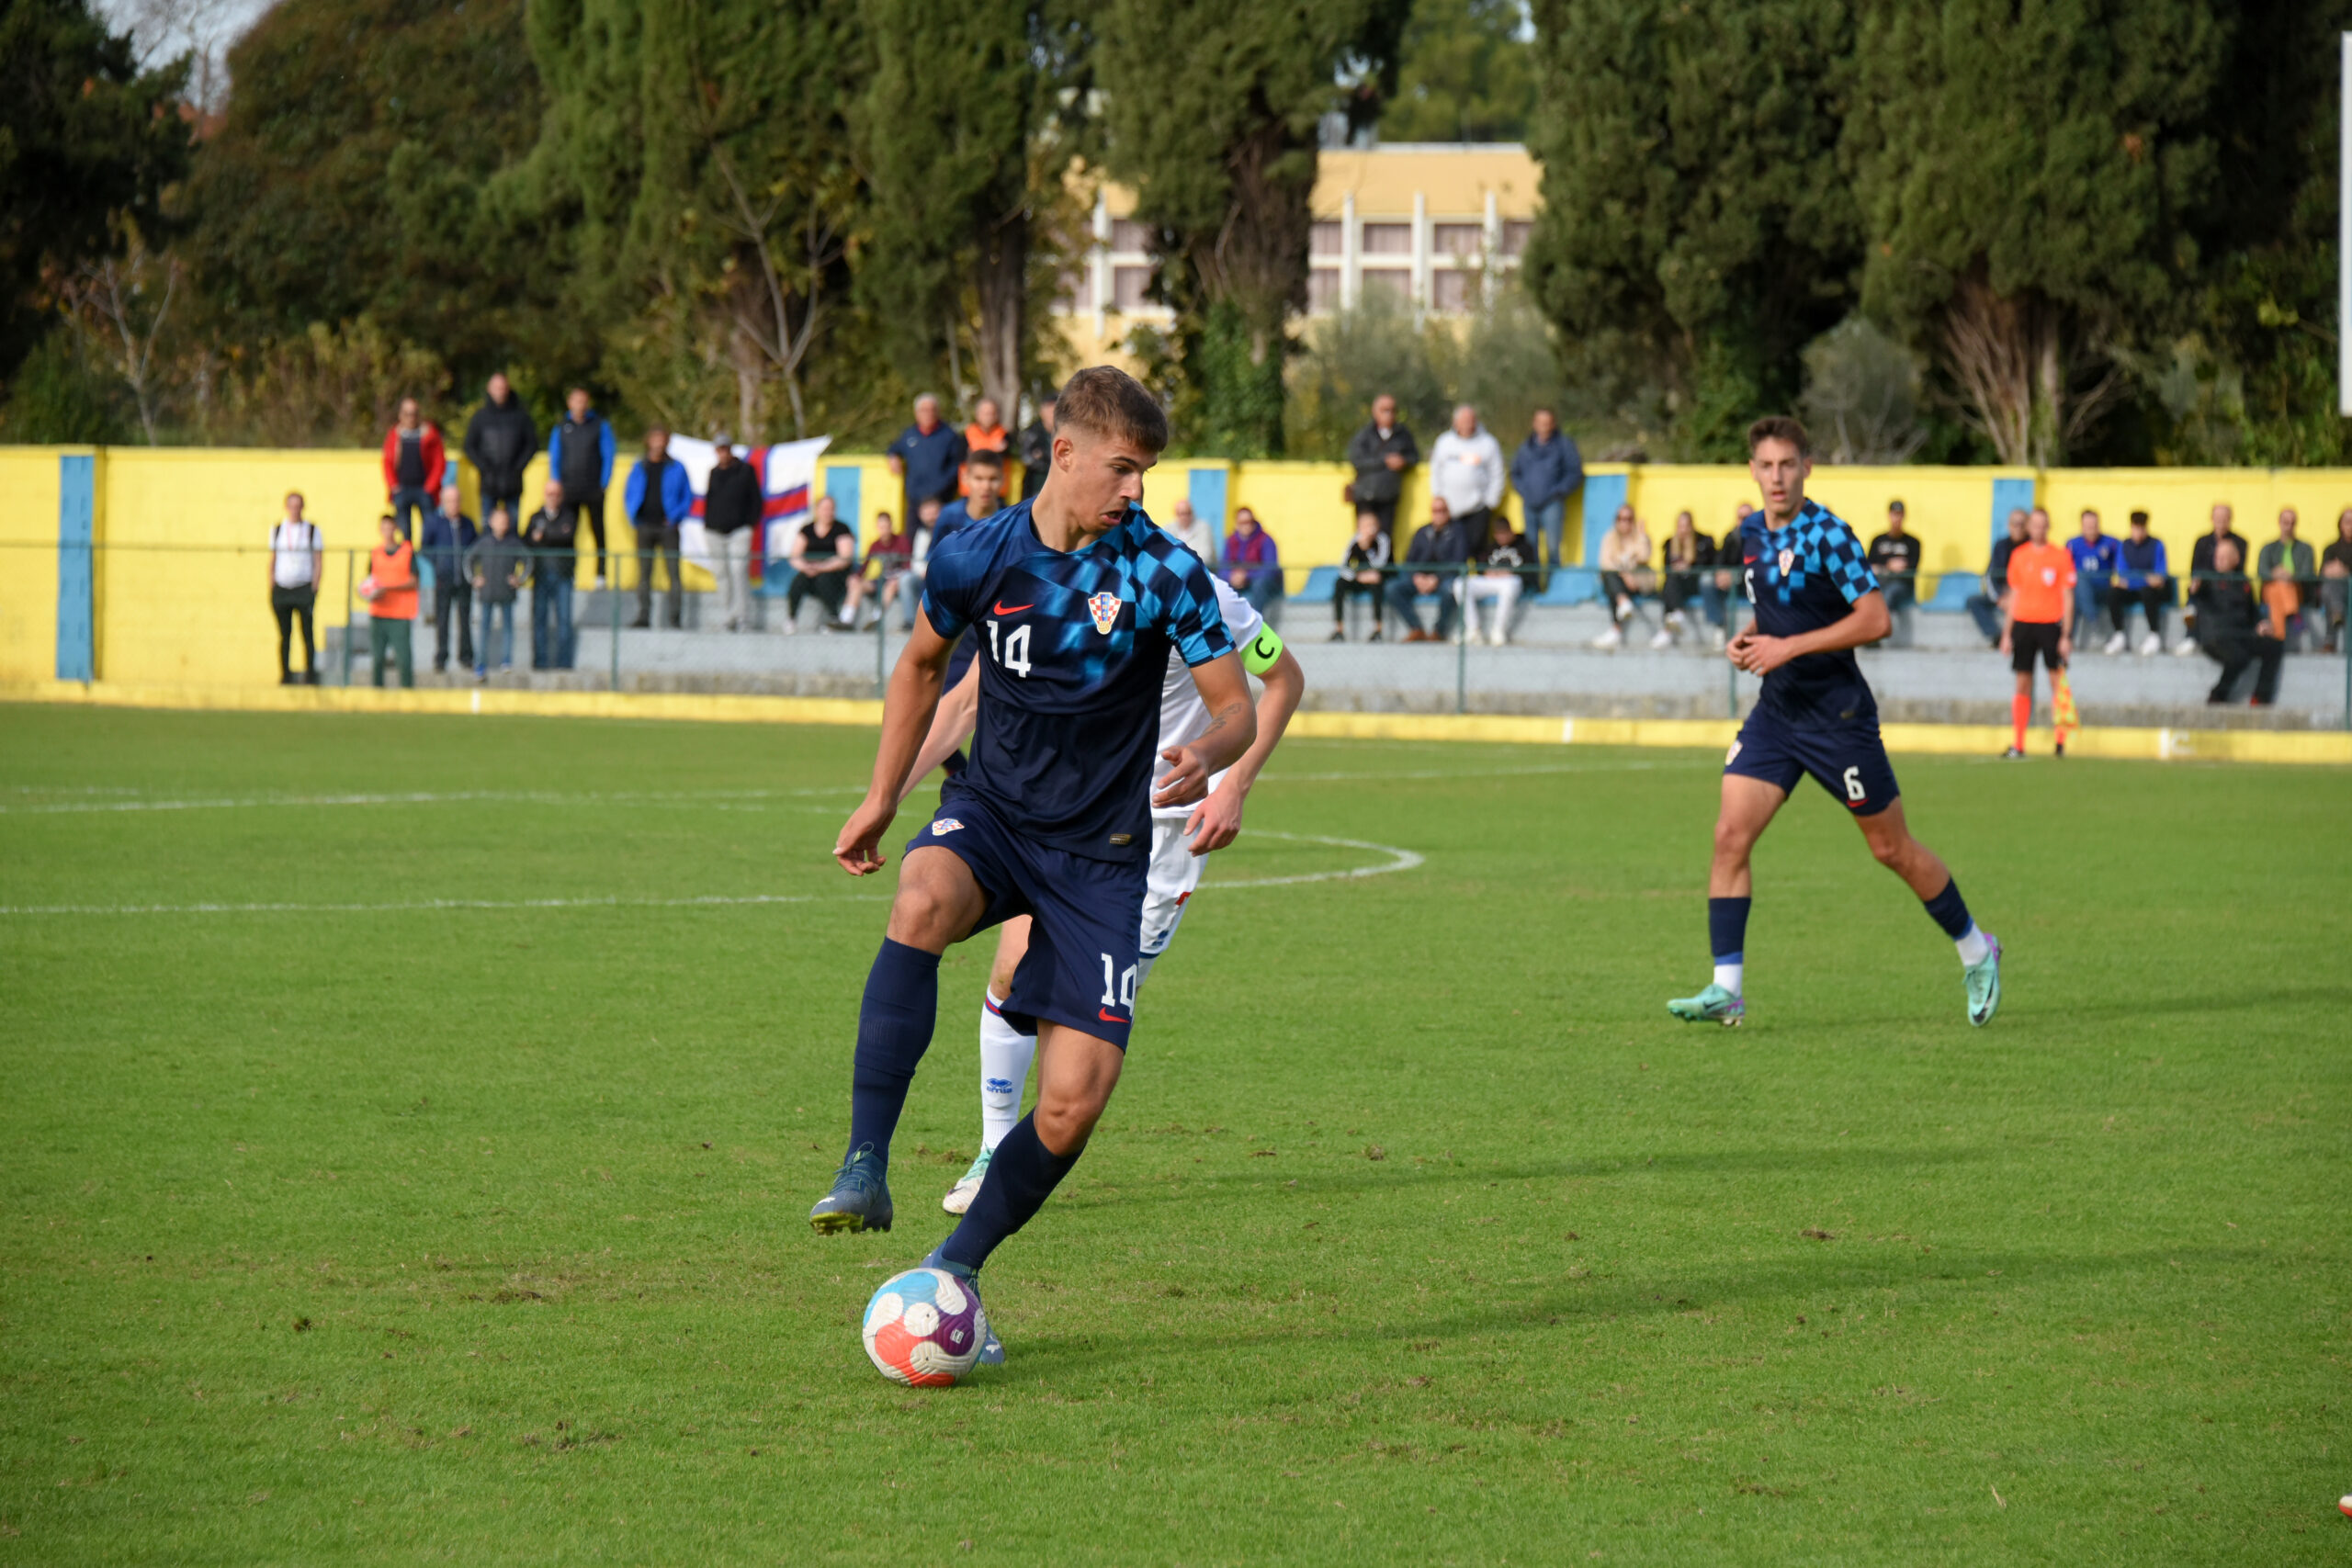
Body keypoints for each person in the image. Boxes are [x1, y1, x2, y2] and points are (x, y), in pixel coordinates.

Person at [808, 367, 1256, 1376]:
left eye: (1145, 471)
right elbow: (922, 669)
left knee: (1074, 1100)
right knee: (919, 892)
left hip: (1099, 860)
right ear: (1064, 453)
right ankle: (865, 1165)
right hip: (995, 814)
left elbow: (1240, 703)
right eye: (1122, 468)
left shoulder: (1162, 573)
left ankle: (954, 1267)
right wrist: (884, 793)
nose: (1135, 490)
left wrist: (1212, 753)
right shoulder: (975, 553)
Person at [904, 554, 1306, 1223]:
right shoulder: (1046, 583)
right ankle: (993, 1150)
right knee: (1010, 970)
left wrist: (1234, 781)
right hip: (1067, 818)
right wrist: (885, 793)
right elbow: (965, 701)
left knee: (1079, 1020)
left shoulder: (1197, 590)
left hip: (1161, 836)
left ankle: (1038, 1149)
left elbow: (1283, 679)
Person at [1668, 416, 2000, 1030]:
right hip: (1777, 714)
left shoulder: (1830, 535)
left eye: (1787, 465)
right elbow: (1771, 612)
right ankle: (1726, 988)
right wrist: (1747, 640)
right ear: (1752, 470)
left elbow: (1876, 619)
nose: (1776, 477)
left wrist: (1788, 649)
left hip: (1837, 718)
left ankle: (1978, 950)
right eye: (1766, 465)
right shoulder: (1749, 533)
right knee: (1728, 836)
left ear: (1806, 468)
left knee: (1890, 847)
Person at [2000, 507, 2076, 759]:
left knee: (2057, 680)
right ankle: (2019, 742)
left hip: (2050, 624)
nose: (2038, 529)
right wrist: (2007, 633)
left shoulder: (2061, 556)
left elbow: (2067, 596)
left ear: (2048, 527)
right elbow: (2015, 595)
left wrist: (2066, 634)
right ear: (2029, 527)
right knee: (2023, 680)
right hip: (2024, 623)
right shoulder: (2019, 556)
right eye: (2035, 524)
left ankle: (2060, 741)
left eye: (2043, 524)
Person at [2192, 537, 2284, 705]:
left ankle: (2261, 698)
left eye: (2225, 556)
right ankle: (2218, 695)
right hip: (2217, 636)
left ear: (2235, 559)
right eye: (2218, 556)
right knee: (2239, 657)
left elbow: (2253, 611)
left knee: (2273, 645)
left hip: (2241, 634)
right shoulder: (2207, 580)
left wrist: (2261, 624)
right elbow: (2195, 594)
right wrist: (2194, 589)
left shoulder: (2243, 582)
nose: (2219, 560)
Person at [624, 425, 692, 630]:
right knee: (644, 575)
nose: (658, 444)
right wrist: (634, 516)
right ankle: (643, 616)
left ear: (667, 442)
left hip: (668, 528)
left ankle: (675, 618)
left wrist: (675, 517)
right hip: (645, 527)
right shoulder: (639, 466)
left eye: (662, 439)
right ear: (648, 441)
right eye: (654, 439)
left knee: (674, 575)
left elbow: (686, 496)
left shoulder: (677, 467)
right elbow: (629, 493)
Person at [548, 387, 616, 586]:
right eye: (576, 401)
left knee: (598, 531)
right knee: (568, 531)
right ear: (570, 403)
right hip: (569, 489)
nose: (580, 405)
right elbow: (555, 457)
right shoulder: (561, 427)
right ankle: (570, 572)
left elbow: (608, 455)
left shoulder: (600, 425)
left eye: (583, 401)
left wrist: (604, 483)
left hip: (593, 488)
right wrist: (557, 482)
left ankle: (601, 573)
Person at [1510, 408, 1582, 589]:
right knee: (1530, 547)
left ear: (1553, 424)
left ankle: (1553, 587)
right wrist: (1524, 491)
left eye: (1547, 422)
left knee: (1552, 547)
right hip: (1529, 503)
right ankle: (1533, 586)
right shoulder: (1526, 447)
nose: (1543, 426)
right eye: (1540, 422)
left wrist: (1558, 492)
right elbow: (1515, 473)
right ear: (1534, 424)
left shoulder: (1564, 445)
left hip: (1552, 504)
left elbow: (1575, 473)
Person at [461, 373, 537, 539]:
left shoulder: (520, 417)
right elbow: (469, 446)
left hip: (513, 483)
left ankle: (513, 565)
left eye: (502, 388)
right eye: (496, 388)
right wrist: (484, 468)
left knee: (513, 529)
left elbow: (531, 445)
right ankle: (489, 565)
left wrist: (517, 467)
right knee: (487, 530)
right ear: (489, 390)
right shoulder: (480, 417)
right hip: (489, 484)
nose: (500, 392)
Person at [1385, 498, 1467, 642]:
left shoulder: (1457, 532)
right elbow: (1409, 560)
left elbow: (1459, 561)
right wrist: (1417, 577)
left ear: (1448, 512)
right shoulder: (1422, 532)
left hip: (1444, 579)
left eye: (1442, 510)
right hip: (1420, 579)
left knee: (1451, 590)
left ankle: (1438, 631)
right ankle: (1416, 628)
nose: (1439, 514)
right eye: (1435, 511)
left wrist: (1436, 579)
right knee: (1392, 588)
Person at [702, 434, 762, 633]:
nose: (723, 453)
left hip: (739, 530)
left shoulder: (745, 470)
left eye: (726, 448)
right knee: (721, 574)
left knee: (738, 572)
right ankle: (728, 616)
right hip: (715, 531)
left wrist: (750, 523)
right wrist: (708, 523)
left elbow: (755, 500)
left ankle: (743, 616)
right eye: (719, 449)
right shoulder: (714, 473)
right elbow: (710, 500)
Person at [1428, 403, 1505, 553]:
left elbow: (1497, 474)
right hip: (1449, 510)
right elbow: (1435, 471)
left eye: (1471, 420)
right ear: (1455, 422)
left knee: (1476, 549)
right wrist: (1438, 498)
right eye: (1464, 421)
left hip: (1477, 509)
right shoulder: (1444, 442)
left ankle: (1475, 577)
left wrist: (1490, 502)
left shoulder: (1488, 443)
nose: (1468, 424)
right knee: (1451, 551)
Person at [418, 478, 477, 675]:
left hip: (464, 580)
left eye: (457, 500)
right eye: (450, 500)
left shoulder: (468, 524)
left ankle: (466, 657)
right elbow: (425, 547)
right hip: (444, 579)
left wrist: (472, 570)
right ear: (443, 502)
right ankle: (441, 658)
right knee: (442, 620)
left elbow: (475, 549)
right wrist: (438, 563)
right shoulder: (435, 523)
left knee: (465, 619)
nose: (454, 504)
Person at [1344, 393, 1419, 545]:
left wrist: (1403, 461)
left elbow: (1414, 457)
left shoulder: (1402, 435)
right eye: (1384, 410)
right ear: (1375, 411)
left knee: (1385, 540)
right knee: (1364, 540)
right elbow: (1357, 461)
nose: (1389, 414)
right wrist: (1384, 461)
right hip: (1366, 496)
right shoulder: (1364, 435)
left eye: (1392, 410)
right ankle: (1363, 569)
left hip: (1388, 497)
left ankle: (1383, 569)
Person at [267, 491, 322, 685]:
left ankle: (310, 674)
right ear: (286, 507)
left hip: (303, 587)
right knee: (285, 634)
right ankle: (285, 674)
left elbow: (318, 560)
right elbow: (272, 559)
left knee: (307, 633)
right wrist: (271, 585)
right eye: (291, 505)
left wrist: (315, 587)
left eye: (298, 505)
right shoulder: (277, 529)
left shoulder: (312, 530)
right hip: (282, 587)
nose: (295, 510)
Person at [466, 505, 528, 679]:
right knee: (484, 628)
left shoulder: (513, 543)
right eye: (499, 520)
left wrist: (519, 579)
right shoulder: (484, 543)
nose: (502, 524)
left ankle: (506, 661)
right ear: (491, 522)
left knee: (507, 627)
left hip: (506, 593)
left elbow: (528, 561)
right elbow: (469, 560)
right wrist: (474, 578)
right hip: (487, 593)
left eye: (505, 521)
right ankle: (481, 663)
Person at [358, 513, 420, 688]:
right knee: (377, 658)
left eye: (390, 527)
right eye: (383, 527)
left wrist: (388, 588)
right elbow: (370, 581)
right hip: (379, 612)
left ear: (396, 528)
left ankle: (407, 692)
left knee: (403, 657)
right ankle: (377, 692)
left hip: (401, 613)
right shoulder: (376, 553)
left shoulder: (407, 551)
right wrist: (366, 591)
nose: (387, 531)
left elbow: (414, 581)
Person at [2179, 502, 2249, 656]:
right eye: (2218, 518)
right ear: (2211, 519)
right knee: (2191, 600)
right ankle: (2191, 636)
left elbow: (2238, 569)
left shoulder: (2239, 542)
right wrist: (2197, 583)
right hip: (2206, 587)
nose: (2221, 522)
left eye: (2225, 519)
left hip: (2229, 587)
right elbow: (2195, 568)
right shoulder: (2202, 542)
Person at [887, 393, 967, 522]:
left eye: (932, 410)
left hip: (941, 503)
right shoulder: (909, 434)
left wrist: (938, 490)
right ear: (916, 413)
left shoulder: (949, 436)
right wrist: (892, 456)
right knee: (914, 541)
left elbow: (957, 465)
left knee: (942, 540)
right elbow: (894, 448)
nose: (929, 413)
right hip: (915, 503)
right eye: (924, 410)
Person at [523, 480, 578, 670]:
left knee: (564, 620)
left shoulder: (568, 516)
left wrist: (544, 536)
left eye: (556, 494)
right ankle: (540, 662)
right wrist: (550, 535)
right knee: (539, 620)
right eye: (549, 494)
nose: (553, 498)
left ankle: (564, 663)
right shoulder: (535, 517)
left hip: (563, 576)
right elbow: (527, 540)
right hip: (541, 576)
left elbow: (566, 536)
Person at [783, 495, 858, 631]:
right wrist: (806, 567)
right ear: (817, 510)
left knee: (824, 580)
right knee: (798, 582)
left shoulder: (842, 529)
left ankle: (833, 617)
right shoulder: (807, 530)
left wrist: (822, 567)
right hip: (810, 572)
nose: (827, 512)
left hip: (835, 575)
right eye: (824, 509)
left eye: (831, 509)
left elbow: (845, 557)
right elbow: (794, 556)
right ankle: (791, 618)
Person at [1462, 510, 1532, 646]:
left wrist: (1509, 572)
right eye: (1499, 533)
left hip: (1510, 581)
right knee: (1460, 584)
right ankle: (1473, 629)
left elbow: (1531, 571)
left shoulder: (1524, 546)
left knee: (1511, 585)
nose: (1502, 537)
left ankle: (1499, 630)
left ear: (1511, 531)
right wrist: (1488, 572)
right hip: (1491, 581)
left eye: (1505, 532)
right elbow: (1480, 568)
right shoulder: (1491, 547)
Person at [380, 397, 446, 541]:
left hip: (425, 490)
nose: (411, 418)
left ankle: (427, 562)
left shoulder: (430, 433)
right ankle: (408, 563)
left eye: (414, 413)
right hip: (402, 490)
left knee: (429, 533)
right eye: (407, 414)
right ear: (400, 415)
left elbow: (439, 462)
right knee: (405, 534)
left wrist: (430, 487)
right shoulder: (394, 435)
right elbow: (387, 462)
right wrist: (394, 486)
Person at [1591, 504, 1654, 649]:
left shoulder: (1639, 537)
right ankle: (1623, 603)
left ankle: (1616, 627)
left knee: (1611, 582)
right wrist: (1625, 574)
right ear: (1616, 521)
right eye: (1621, 519)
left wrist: (1643, 535)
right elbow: (1605, 562)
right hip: (1620, 581)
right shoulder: (1609, 537)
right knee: (1610, 578)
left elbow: (1645, 556)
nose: (1624, 523)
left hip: (1636, 582)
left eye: (1628, 519)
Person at [1658, 510, 1722, 649]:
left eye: (1686, 525)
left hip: (1698, 583)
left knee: (1706, 581)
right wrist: (1678, 568)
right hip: (1680, 584)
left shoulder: (1703, 541)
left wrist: (1690, 566)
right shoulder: (1670, 544)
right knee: (1670, 580)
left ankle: (1719, 627)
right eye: (1680, 526)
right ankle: (1675, 616)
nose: (1683, 530)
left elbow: (1711, 563)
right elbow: (1666, 567)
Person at [1966, 508, 2030, 645]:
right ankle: (1996, 636)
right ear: (2008, 525)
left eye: (2022, 524)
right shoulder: (2001, 546)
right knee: (1974, 601)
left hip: (2026, 595)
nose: (2018, 528)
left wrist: (2016, 596)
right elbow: (1990, 575)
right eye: (2014, 524)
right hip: (2003, 593)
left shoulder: (2033, 547)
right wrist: (2000, 597)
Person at [2114, 510, 2172, 654]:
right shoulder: (2124, 545)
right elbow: (2122, 574)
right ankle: (2119, 634)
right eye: (2135, 528)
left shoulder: (2157, 544)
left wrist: (2134, 581)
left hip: (2151, 592)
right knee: (2113, 593)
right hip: (2135, 590)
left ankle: (2154, 634)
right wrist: (2145, 579)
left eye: (2141, 528)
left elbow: (2160, 577)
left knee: (2148, 592)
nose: (2138, 532)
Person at [2256, 507, 2316, 644]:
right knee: (2277, 586)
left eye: (2292, 523)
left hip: (2296, 590)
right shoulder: (2268, 547)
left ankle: (2278, 636)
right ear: (2279, 522)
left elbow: (2307, 573)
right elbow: (2261, 571)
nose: (2288, 527)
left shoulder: (2306, 548)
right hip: (2270, 590)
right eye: (2285, 522)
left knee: (2279, 589)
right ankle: (2294, 614)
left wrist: (2290, 576)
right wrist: (2275, 573)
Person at [847, 510, 914, 630]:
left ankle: (876, 617)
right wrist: (855, 577)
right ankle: (846, 618)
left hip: (896, 580)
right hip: (882, 579)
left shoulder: (901, 541)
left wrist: (898, 577)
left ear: (891, 526)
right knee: (858, 584)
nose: (884, 530)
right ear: (877, 527)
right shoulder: (875, 545)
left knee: (890, 586)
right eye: (881, 527)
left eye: (886, 526)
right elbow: (864, 568)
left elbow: (908, 565)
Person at [2067, 509, 2123, 653]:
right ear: (2082, 526)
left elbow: (2122, 565)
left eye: (2094, 526)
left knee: (2079, 584)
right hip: (2080, 590)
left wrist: (2119, 579)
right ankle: (2085, 632)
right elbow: (2065, 570)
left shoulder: (2111, 543)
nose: (2091, 530)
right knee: (2076, 590)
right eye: (2088, 526)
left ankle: (2076, 635)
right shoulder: (2072, 544)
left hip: (2103, 589)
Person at [1331, 509, 1391, 641]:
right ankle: (1339, 629)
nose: (1369, 529)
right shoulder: (1354, 541)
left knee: (1377, 586)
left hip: (1374, 579)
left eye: (1372, 525)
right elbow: (1344, 565)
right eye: (1365, 526)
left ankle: (1378, 629)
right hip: (1359, 578)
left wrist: (1367, 550)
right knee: (1339, 584)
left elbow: (1380, 564)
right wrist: (1358, 576)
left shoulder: (1382, 540)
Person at [1222, 506, 1282, 616]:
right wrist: (1232, 576)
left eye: (1249, 522)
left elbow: (1270, 569)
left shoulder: (1266, 540)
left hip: (1260, 582)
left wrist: (1247, 576)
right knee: (1221, 584)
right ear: (1237, 524)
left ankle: (1255, 620)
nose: (1246, 525)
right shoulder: (1231, 541)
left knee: (1260, 584)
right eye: (1242, 522)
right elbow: (1223, 567)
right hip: (1238, 581)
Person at [1866, 501, 1921, 616]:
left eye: (1899, 514)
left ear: (1904, 516)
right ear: (1889, 515)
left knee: (1889, 593)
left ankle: (1880, 630)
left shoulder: (1913, 542)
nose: (1897, 518)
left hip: (1903, 586)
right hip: (1880, 583)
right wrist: (1889, 567)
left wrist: (1882, 568)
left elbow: (1912, 568)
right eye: (1894, 514)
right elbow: (1869, 567)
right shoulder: (1877, 540)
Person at [961, 397, 1009, 496]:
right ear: (977, 414)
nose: (989, 416)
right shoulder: (966, 435)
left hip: (997, 492)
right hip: (971, 492)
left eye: (992, 413)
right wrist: (994, 448)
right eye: (985, 413)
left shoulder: (1005, 435)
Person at [2323, 508, 2352, 654]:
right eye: (2348, 522)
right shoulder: (2331, 548)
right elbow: (2324, 571)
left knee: (2332, 590)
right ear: (2341, 525)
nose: (2350, 525)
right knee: (2330, 587)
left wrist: (2345, 571)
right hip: (2335, 590)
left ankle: (2330, 640)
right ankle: (2337, 612)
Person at [1015, 394, 1056, 500]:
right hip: (1035, 486)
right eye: (1049, 410)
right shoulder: (1032, 432)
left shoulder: (1067, 433)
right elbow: (1026, 458)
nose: (1052, 414)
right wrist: (1049, 461)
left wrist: (1043, 455)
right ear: (1041, 412)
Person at [1164, 497, 1216, 563]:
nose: (1185, 517)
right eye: (1182, 513)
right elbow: (1165, 554)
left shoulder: (1204, 528)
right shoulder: (1168, 529)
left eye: (1188, 513)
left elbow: (1206, 556)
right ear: (1176, 514)